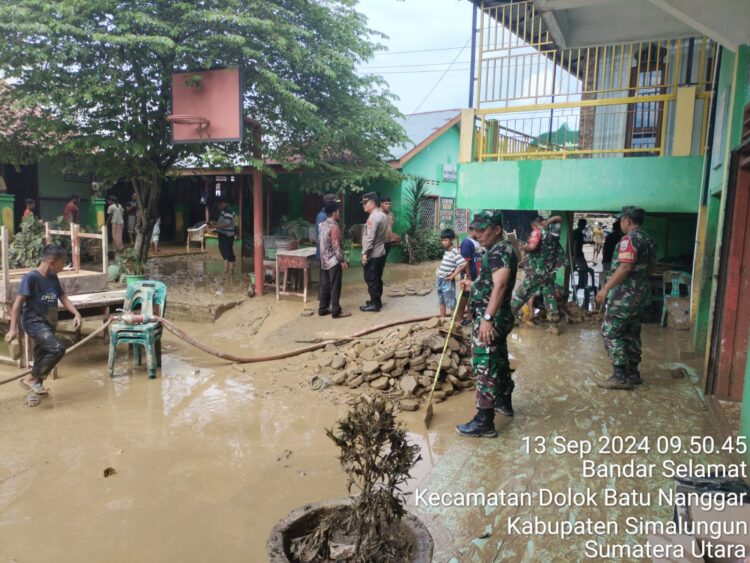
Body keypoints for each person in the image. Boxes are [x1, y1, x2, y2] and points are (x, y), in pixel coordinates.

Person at [456, 211, 518, 438]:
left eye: (483, 230)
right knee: (499, 360)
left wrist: (487, 319)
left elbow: (500, 286)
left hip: (492, 319)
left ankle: (484, 421)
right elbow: (491, 283)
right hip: (496, 316)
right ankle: (504, 401)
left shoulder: (500, 251)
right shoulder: (498, 250)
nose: (477, 234)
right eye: (475, 229)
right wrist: (474, 285)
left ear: (497, 229)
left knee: (484, 363)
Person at [5, 245, 82, 406]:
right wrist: (13, 329)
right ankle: (30, 379)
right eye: (63, 263)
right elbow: (18, 304)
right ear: (52, 262)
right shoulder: (31, 278)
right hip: (34, 322)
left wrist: (76, 313)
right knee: (57, 349)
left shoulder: (53, 277)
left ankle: (33, 393)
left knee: (42, 357)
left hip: (49, 322)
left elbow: (63, 297)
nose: (64, 266)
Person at [595, 206, 656, 390]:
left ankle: (620, 375)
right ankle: (633, 373)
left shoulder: (629, 240)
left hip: (624, 297)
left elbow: (625, 267)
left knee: (610, 332)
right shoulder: (649, 240)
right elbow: (652, 267)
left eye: (621, 220)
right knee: (631, 333)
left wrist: (605, 288)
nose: (620, 223)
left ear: (628, 221)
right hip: (641, 295)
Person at [510, 215, 565, 333]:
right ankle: (553, 325)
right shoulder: (553, 233)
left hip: (535, 272)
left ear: (533, 224)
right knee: (549, 296)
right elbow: (559, 218)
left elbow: (532, 246)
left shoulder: (537, 232)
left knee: (520, 295)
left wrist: (524, 247)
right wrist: (549, 221)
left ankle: (508, 318)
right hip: (549, 272)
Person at [318, 202, 350, 318]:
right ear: (335, 212)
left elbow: (320, 242)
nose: (339, 213)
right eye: (338, 211)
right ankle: (336, 311)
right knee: (335, 286)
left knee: (325, 285)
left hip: (324, 260)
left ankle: (323, 308)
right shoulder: (334, 226)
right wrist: (342, 260)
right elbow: (336, 246)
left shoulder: (322, 225)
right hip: (333, 261)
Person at [359, 191, 388, 312]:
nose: (363, 206)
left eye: (365, 203)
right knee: (377, 278)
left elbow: (370, 238)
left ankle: (374, 305)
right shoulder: (383, 215)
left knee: (371, 279)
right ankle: (377, 301)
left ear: (372, 203)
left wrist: (365, 254)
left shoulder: (373, 217)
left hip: (373, 254)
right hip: (380, 252)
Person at [435, 228, 466, 318]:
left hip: (447, 281)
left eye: (445, 240)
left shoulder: (454, 252)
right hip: (440, 279)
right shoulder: (447, 251)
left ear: (451, 240)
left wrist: (453, 275)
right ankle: (442, 319)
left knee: (451, 303)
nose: (443, 242)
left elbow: (463, 264)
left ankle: (454, 322)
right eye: (442, 240)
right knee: (441, 301)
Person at [213, 198, 236, 273]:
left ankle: (231, 268)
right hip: (222, 233)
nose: (218, 208)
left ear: (222, 203)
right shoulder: (224, 210)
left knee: (228, 250)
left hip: (228, 234)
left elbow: (227, 223)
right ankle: (226, 269)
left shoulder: (229, 210)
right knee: (223, 249)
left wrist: (217, 226)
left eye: (219, 206)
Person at [315, 193, 338, 258]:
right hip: (324, 254)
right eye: (334, 203)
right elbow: (322, 237)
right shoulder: (322, 216)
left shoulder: (328, 216)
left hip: (328, 254)